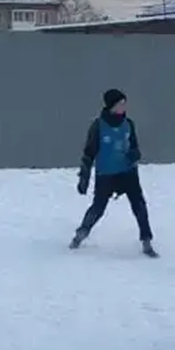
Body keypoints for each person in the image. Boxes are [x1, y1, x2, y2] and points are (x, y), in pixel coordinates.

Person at [69, 88, 157, 257]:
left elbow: (134, 146)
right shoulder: (98, 126)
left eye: (125, 103)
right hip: (106, 174)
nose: (124, 106)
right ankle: (80, 235)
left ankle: (146, 241)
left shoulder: (129, 123)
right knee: (98, 208)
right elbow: (89, 153)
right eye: (120, 104)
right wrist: (84, 177)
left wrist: (135, 154)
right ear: (111, 106)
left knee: (139, 204)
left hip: (128, 172)